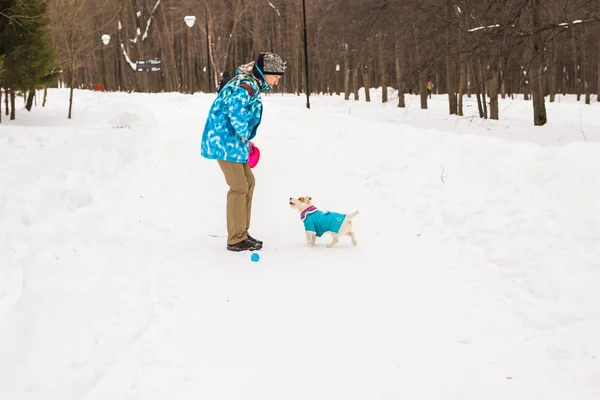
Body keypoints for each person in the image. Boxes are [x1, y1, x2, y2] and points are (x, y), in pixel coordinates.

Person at [200, 52, 287, 252]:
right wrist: (242, 133)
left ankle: (242, 233)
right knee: (239, 186)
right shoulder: (245, 85)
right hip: (223, 142)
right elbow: (234, 109)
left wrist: (245, 140)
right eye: (276, 77)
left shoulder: (251, 84)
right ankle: (236, 238)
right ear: (266, 73)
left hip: (233, 143)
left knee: (249, 182)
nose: (276, 82)